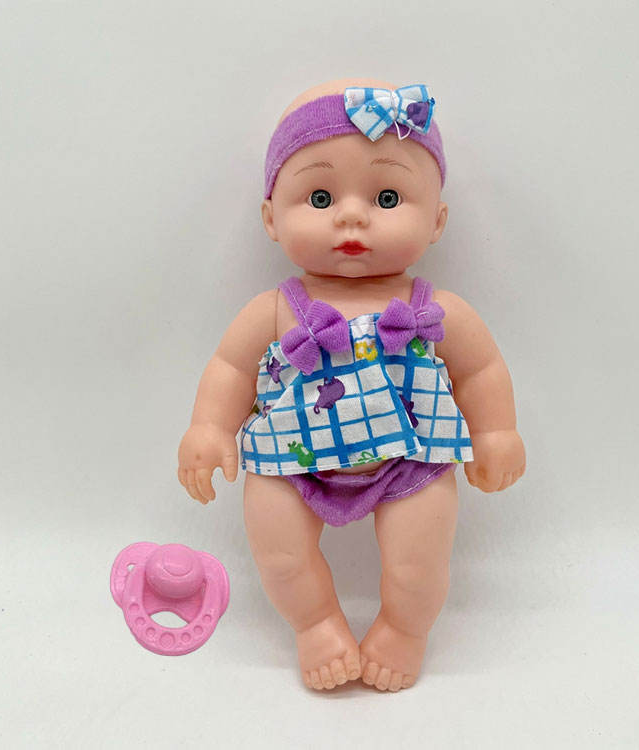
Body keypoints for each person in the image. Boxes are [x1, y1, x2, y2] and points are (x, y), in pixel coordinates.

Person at [178, 78, 525, 692]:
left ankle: (403, 629)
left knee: (418, 564)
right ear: (271, 217)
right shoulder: (275, 309)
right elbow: (230, 367)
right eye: (319, 196)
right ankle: (315, 624)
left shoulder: (433, 307)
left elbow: (480, 369)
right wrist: (208, 427)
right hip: (290, 459)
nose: (352, 215)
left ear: (437, 220)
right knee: (280, 550)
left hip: (410, 459)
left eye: (388, 196)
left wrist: (496, 432)